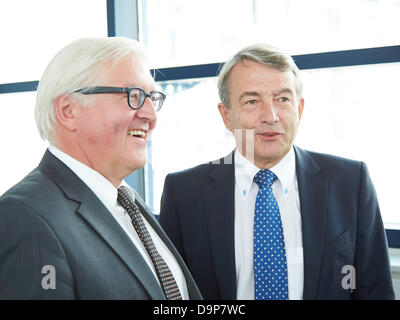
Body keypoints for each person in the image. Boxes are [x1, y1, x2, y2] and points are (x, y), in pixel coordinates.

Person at [158, 43, 394, 300]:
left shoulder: (350, 182)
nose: (270, 116)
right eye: (251, 101)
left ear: (299, 108)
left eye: (282, 99)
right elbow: (171, 295)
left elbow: (375, 289)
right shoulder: (184, 192)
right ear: (226, 115)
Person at [0, 37, 202, 300]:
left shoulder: (125, 200)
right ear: (68, 110)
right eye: (134, 96)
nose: (151, 116)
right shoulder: (23, 217)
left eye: (152, 97)